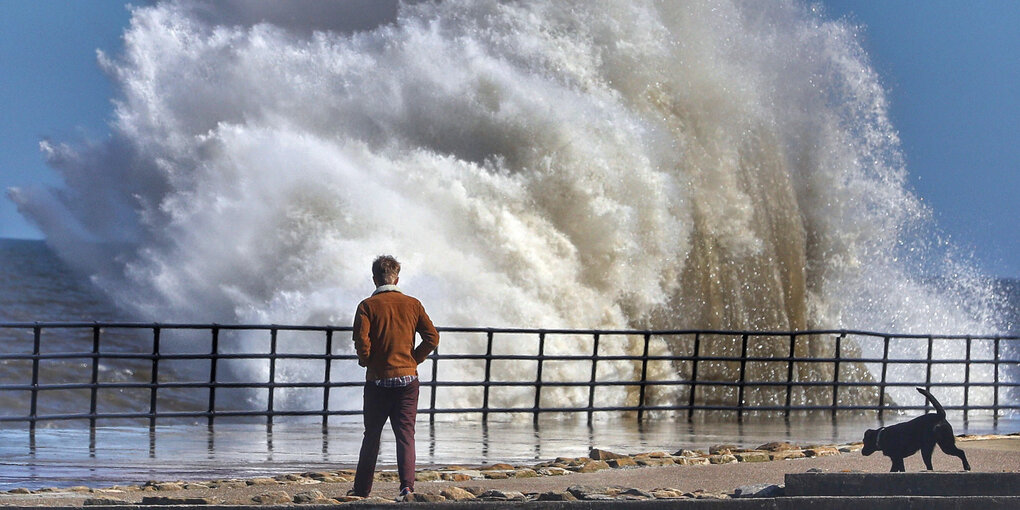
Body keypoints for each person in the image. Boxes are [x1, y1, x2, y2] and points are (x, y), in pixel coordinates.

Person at [350, 255, 440, 499]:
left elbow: (362, 341)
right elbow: (432, 337)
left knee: (372, 435)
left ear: (374, 279)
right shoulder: (413, 304)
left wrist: (368, 361)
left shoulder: (367, 306)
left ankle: (362, 490)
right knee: (405, 435)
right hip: (407, 381)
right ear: (397, 278)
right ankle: (407, 487)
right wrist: (414, 359)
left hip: (378, 380)